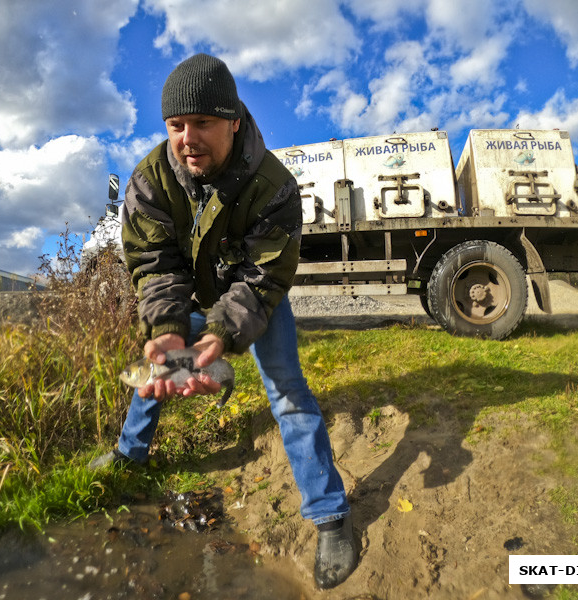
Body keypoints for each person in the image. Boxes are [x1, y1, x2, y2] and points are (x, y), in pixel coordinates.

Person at [90, 53, 357, 589]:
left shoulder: (274, 184)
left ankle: (330, 515)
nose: (187, 138)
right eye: (176, 125)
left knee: (287, 393)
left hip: (253, 297)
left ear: (234, 121)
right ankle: (128, 456)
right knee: (157, 366)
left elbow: (265, 275)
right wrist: (166, 327)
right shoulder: (149, 180)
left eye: (203, 123)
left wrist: (221, 334)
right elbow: (153, 264)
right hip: (187, 291)